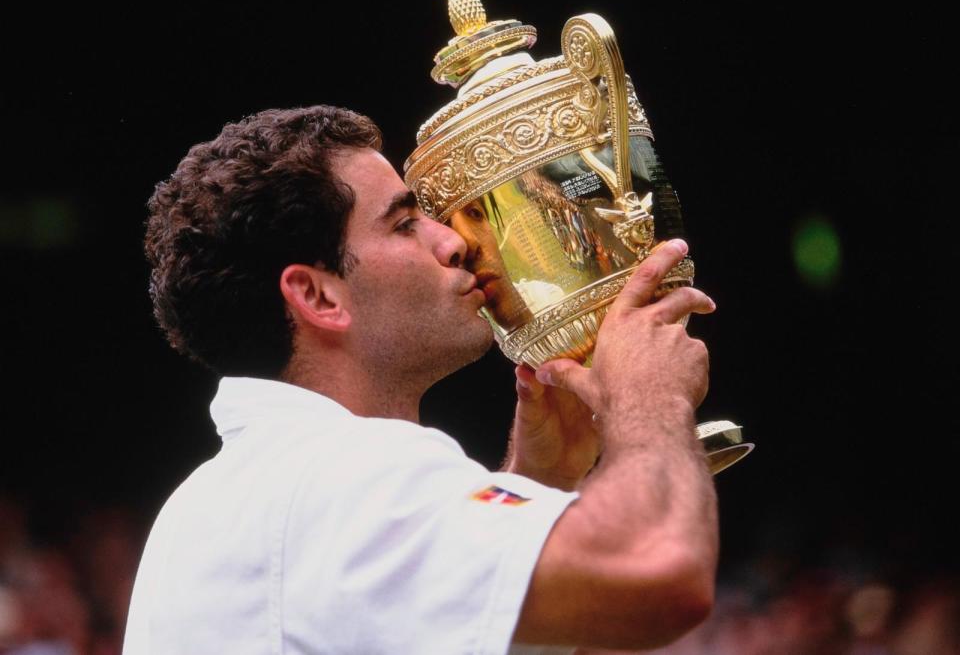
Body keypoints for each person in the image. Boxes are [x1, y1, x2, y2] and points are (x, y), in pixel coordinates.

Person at [124, 105, 719, 654]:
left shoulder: (244, 492)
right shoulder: (344, 477)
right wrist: (647, 395)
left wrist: (548, 477)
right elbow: (659, 569)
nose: (455, 241)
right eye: (405, 223)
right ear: (316, 295)